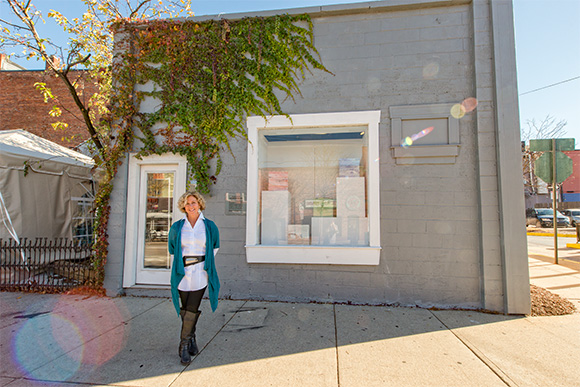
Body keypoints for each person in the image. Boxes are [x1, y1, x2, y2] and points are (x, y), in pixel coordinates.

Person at [168, 190, 220, 365]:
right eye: (187, 203)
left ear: (200, 204)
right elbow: (172, 248)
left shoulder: (209, 226)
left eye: (194, 202)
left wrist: (205, 263)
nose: (191, 206)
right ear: (183, 206)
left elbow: (215, 247)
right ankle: (191, 338)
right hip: (182, 273)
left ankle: (183, 345)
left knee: (192, 306)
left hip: (200, 272)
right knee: (186, 309)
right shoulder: (177, 227)